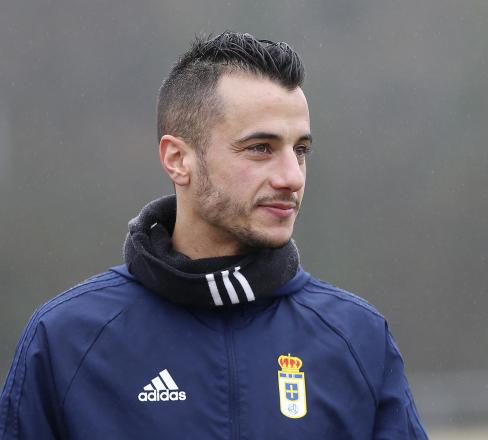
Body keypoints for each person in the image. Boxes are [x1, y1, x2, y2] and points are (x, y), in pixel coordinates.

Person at [0, 32, 427, 439]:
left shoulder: (357, 337)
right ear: (178, 159)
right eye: (261, 148)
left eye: (300, 150)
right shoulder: (66, 340)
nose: (291, 177)